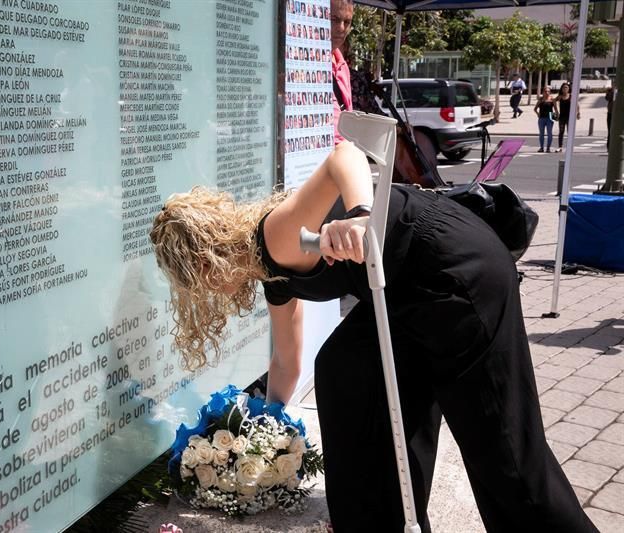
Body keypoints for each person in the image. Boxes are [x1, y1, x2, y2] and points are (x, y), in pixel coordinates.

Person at [150, 141, 598, 532]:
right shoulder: (271, 273)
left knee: (504, 456)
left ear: (207, 262)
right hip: (408, 290)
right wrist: (263, 429)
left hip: (456, 273)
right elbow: (287, 360)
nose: (209, 293)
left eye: (199, 283)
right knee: (345, 369)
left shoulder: (276, 236)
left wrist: (360, 214)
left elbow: (344, 155)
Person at [330, 0, 354, 144]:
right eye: (334, 19)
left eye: (347, 22)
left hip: (345, 147)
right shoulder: (305, 62)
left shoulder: (342, 66)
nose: (341, 28)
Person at [555, 82, 580, 152]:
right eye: (564, 87)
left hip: (570, 117)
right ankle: (560, 147)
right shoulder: (560, 97)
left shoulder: (571, 96)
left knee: (570, 132)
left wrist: (578, 113)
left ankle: (570, 146)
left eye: (566, 87)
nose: (565, 89)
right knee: (561, 132)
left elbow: (577, 105)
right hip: (562, 117)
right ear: (561, 89)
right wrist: (556, 112)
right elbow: (553, 101)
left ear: (569, 89)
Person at [534, 86, 557, 152]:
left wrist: (557, 115)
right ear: (543, 92)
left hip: (550, 117)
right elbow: (535, 109)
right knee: (541, 133)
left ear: (550, 92)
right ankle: (541, 147)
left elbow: (555, 109)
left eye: (548, 91)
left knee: (549, 133)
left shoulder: (552, 99)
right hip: (542, 118)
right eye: (545, 91)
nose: (547, 93)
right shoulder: (541, 99)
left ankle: (548, 148)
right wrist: (538, 114)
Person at [606, 82, 616, 148]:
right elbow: (607, 98)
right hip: (610, 113)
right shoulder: (610, 91)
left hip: (618, 115)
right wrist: (612, 91)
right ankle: (609, 147)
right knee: (610, 131)